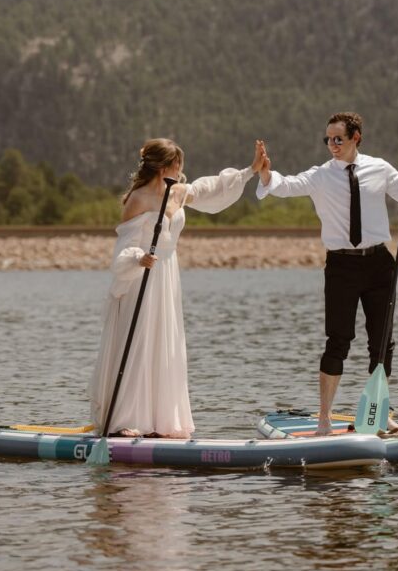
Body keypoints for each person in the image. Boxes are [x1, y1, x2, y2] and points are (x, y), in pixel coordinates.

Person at [257, 112, 398, 435]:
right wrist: (267, 176)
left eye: (338, 139)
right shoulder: (321, 176)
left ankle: (381, 414)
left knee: (381, 343)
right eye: (328, 140)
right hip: (341, 267)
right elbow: (286, 185)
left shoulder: (379, 168)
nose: (332, 145)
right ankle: (324, 418)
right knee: (338, 341)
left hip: (379, 264)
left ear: (355, 138)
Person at [90, 137, 267, 438]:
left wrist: (251, 170)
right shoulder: (138, 198)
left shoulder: (179, 192)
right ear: (165, 167)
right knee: (141, 343)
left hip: (168, 276)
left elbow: (212, 189)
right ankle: (126, 420)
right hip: (141, 277)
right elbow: (123, 248)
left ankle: (161, 422)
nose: (182, 170)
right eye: (178, 164)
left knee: (165, 346)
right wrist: (138, 257)